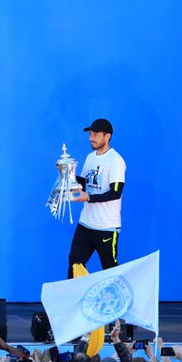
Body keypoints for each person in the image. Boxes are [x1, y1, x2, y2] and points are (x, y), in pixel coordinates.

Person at [68, 118, 126, 278]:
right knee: (75, 262)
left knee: (110, 268)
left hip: (106, 227)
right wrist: (68, 175)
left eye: (96, 134)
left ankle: (115, 301)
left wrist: (89, 198)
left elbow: (115, 193)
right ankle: (76, 301)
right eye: (91, 134)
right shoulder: (90, 157)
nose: (91, 138)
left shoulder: (115, 161)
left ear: (107, 136)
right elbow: (86, 183)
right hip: (86, 223)